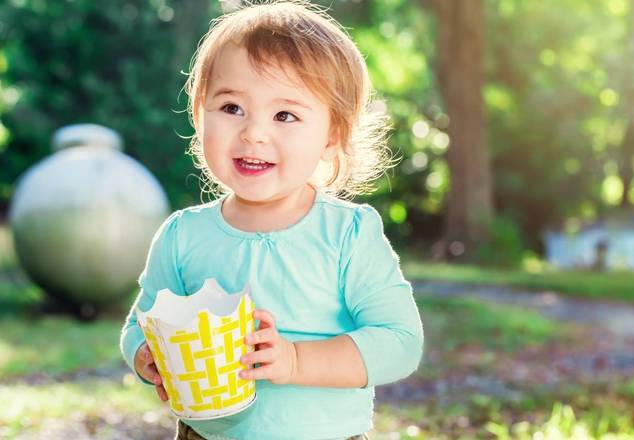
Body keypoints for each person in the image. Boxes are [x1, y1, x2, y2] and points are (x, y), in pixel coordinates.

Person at [119, 1, 424, 439]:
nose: (254, 132)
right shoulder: (183, 235)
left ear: (332, 136)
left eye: (285, 115)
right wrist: (146, 357)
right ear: (199, 114)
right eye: (231, 108)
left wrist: (296, 360)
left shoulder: (347, 234)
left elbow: (400, 342)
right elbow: (140, 323)